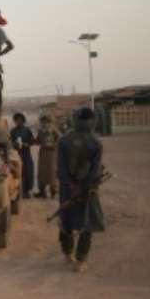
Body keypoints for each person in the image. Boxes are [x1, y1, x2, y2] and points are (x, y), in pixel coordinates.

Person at [57, 107, 106, 272]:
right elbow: (95, 170)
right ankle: (81, 261)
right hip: (88, 190)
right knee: (87, 224)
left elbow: (61, 168)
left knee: (66, 221)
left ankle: (67, 254)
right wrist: (84, 186)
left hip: (67, 189)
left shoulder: (64, 140)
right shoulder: (96, 143)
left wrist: (70, 185)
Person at [10, 112, 36, 198]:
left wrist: (27, 144)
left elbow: (32, 141)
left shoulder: (27, 130)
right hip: (17, 154)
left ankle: (27, 191)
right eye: (16, 120)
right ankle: (18, 191)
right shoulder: (13, 131)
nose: (18, 121)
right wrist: (15, 144)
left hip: (26, 154)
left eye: (20, 120)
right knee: (17, 173)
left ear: (23, 120)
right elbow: (10, 143)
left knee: (28, 172)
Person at [36, 115, 62, 198]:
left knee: (52, 172)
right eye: (43, 121)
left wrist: (54, 144)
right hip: (43, 153)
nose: (44, 123)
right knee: (42, 172)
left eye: (46, 121)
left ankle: (53, 191)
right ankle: (42, 191)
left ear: (49, 121)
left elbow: (60, 139)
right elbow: (38, 140)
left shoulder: (53, 129)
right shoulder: (40, 130)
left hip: (52, 153)